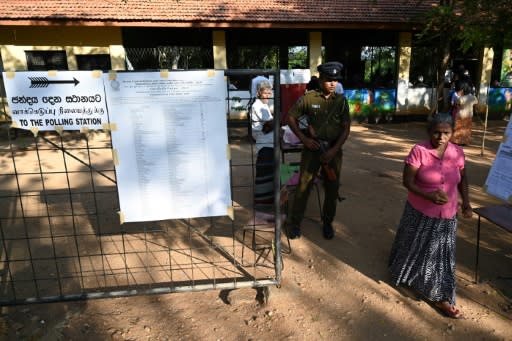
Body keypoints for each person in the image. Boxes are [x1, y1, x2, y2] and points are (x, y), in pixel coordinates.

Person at [388, 112, 473, 319]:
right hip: (419, 210)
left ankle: (441, 296)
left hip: (448, 213)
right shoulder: (419, 151)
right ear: (429, 132)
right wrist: (428, 195)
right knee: (413, 246)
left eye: (446, 133)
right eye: (437, 133)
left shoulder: (457, 152)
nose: (441, 137)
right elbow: (408, 182)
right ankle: (404, 272)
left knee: (440, 255)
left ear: (452, 132)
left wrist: (467, 204)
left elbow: (463, 179)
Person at [285, 61, 351, 240]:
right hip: (313, 149)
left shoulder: (341, 101)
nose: (333, 83)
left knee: (332, 188)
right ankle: (294, 223)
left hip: (333, 150)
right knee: (303, 187)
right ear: (321, 79)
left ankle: (328, 223)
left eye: (335, 80)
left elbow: (346, 129)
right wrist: (304, 139)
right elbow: (290, 117)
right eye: (329, 79)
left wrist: (333, 150)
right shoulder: (309, 98)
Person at [250, 79, 275, 206]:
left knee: (268, 172)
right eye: (265, 93)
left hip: (267, 142)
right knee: (265, 172)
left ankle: (267, 199)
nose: (268, 95)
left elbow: (270, 124)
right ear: (259, 92)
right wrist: (279, 119)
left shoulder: (263, 105)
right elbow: (270, 123)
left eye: (269, 92)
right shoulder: (258, 105)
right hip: (264, 144)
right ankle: (262, 202)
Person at [451, 80, 477, 145]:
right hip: (469, 115)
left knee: (458, 129)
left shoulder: (461, 98)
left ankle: (457, 142)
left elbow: (457, 106)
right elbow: (475, 104)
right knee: (467, 129)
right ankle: (465, 142)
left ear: (463, 90)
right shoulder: (473, 97)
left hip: (461, 115)